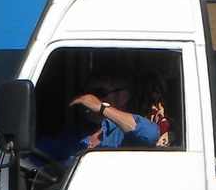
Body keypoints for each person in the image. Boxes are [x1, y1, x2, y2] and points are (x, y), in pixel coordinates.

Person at [31, 71, 161, 167]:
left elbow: (149, 134)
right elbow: (34, 155)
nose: (90, 99)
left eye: (100, 93)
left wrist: (100, 107)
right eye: (88, 92)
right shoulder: (75, 134)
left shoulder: (125, 133)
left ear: (123, 97)